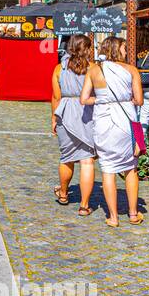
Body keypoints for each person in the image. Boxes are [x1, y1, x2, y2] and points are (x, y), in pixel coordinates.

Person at [81, 36, 144, 227]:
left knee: (108, 168)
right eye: (124, 48)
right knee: (131, 167)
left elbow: (84, 99)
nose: (126, 52)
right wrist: (124, 101)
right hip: (125, 121)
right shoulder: (131, 70)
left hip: (103, 122)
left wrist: (102, 100)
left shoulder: (94, 70)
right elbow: (139, 100)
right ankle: (133, 214)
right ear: (117, 49)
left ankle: (113, 217)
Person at [52, 33, 98, 216]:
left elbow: (56, 97)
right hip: (87, 115)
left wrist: (54, 118)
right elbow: (103, 94)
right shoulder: (94, 69)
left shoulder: (58, 69)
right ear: (86, 49)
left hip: (65, 112)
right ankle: (84, 205)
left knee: (67, 157)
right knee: (87, 161)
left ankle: (63, 193)